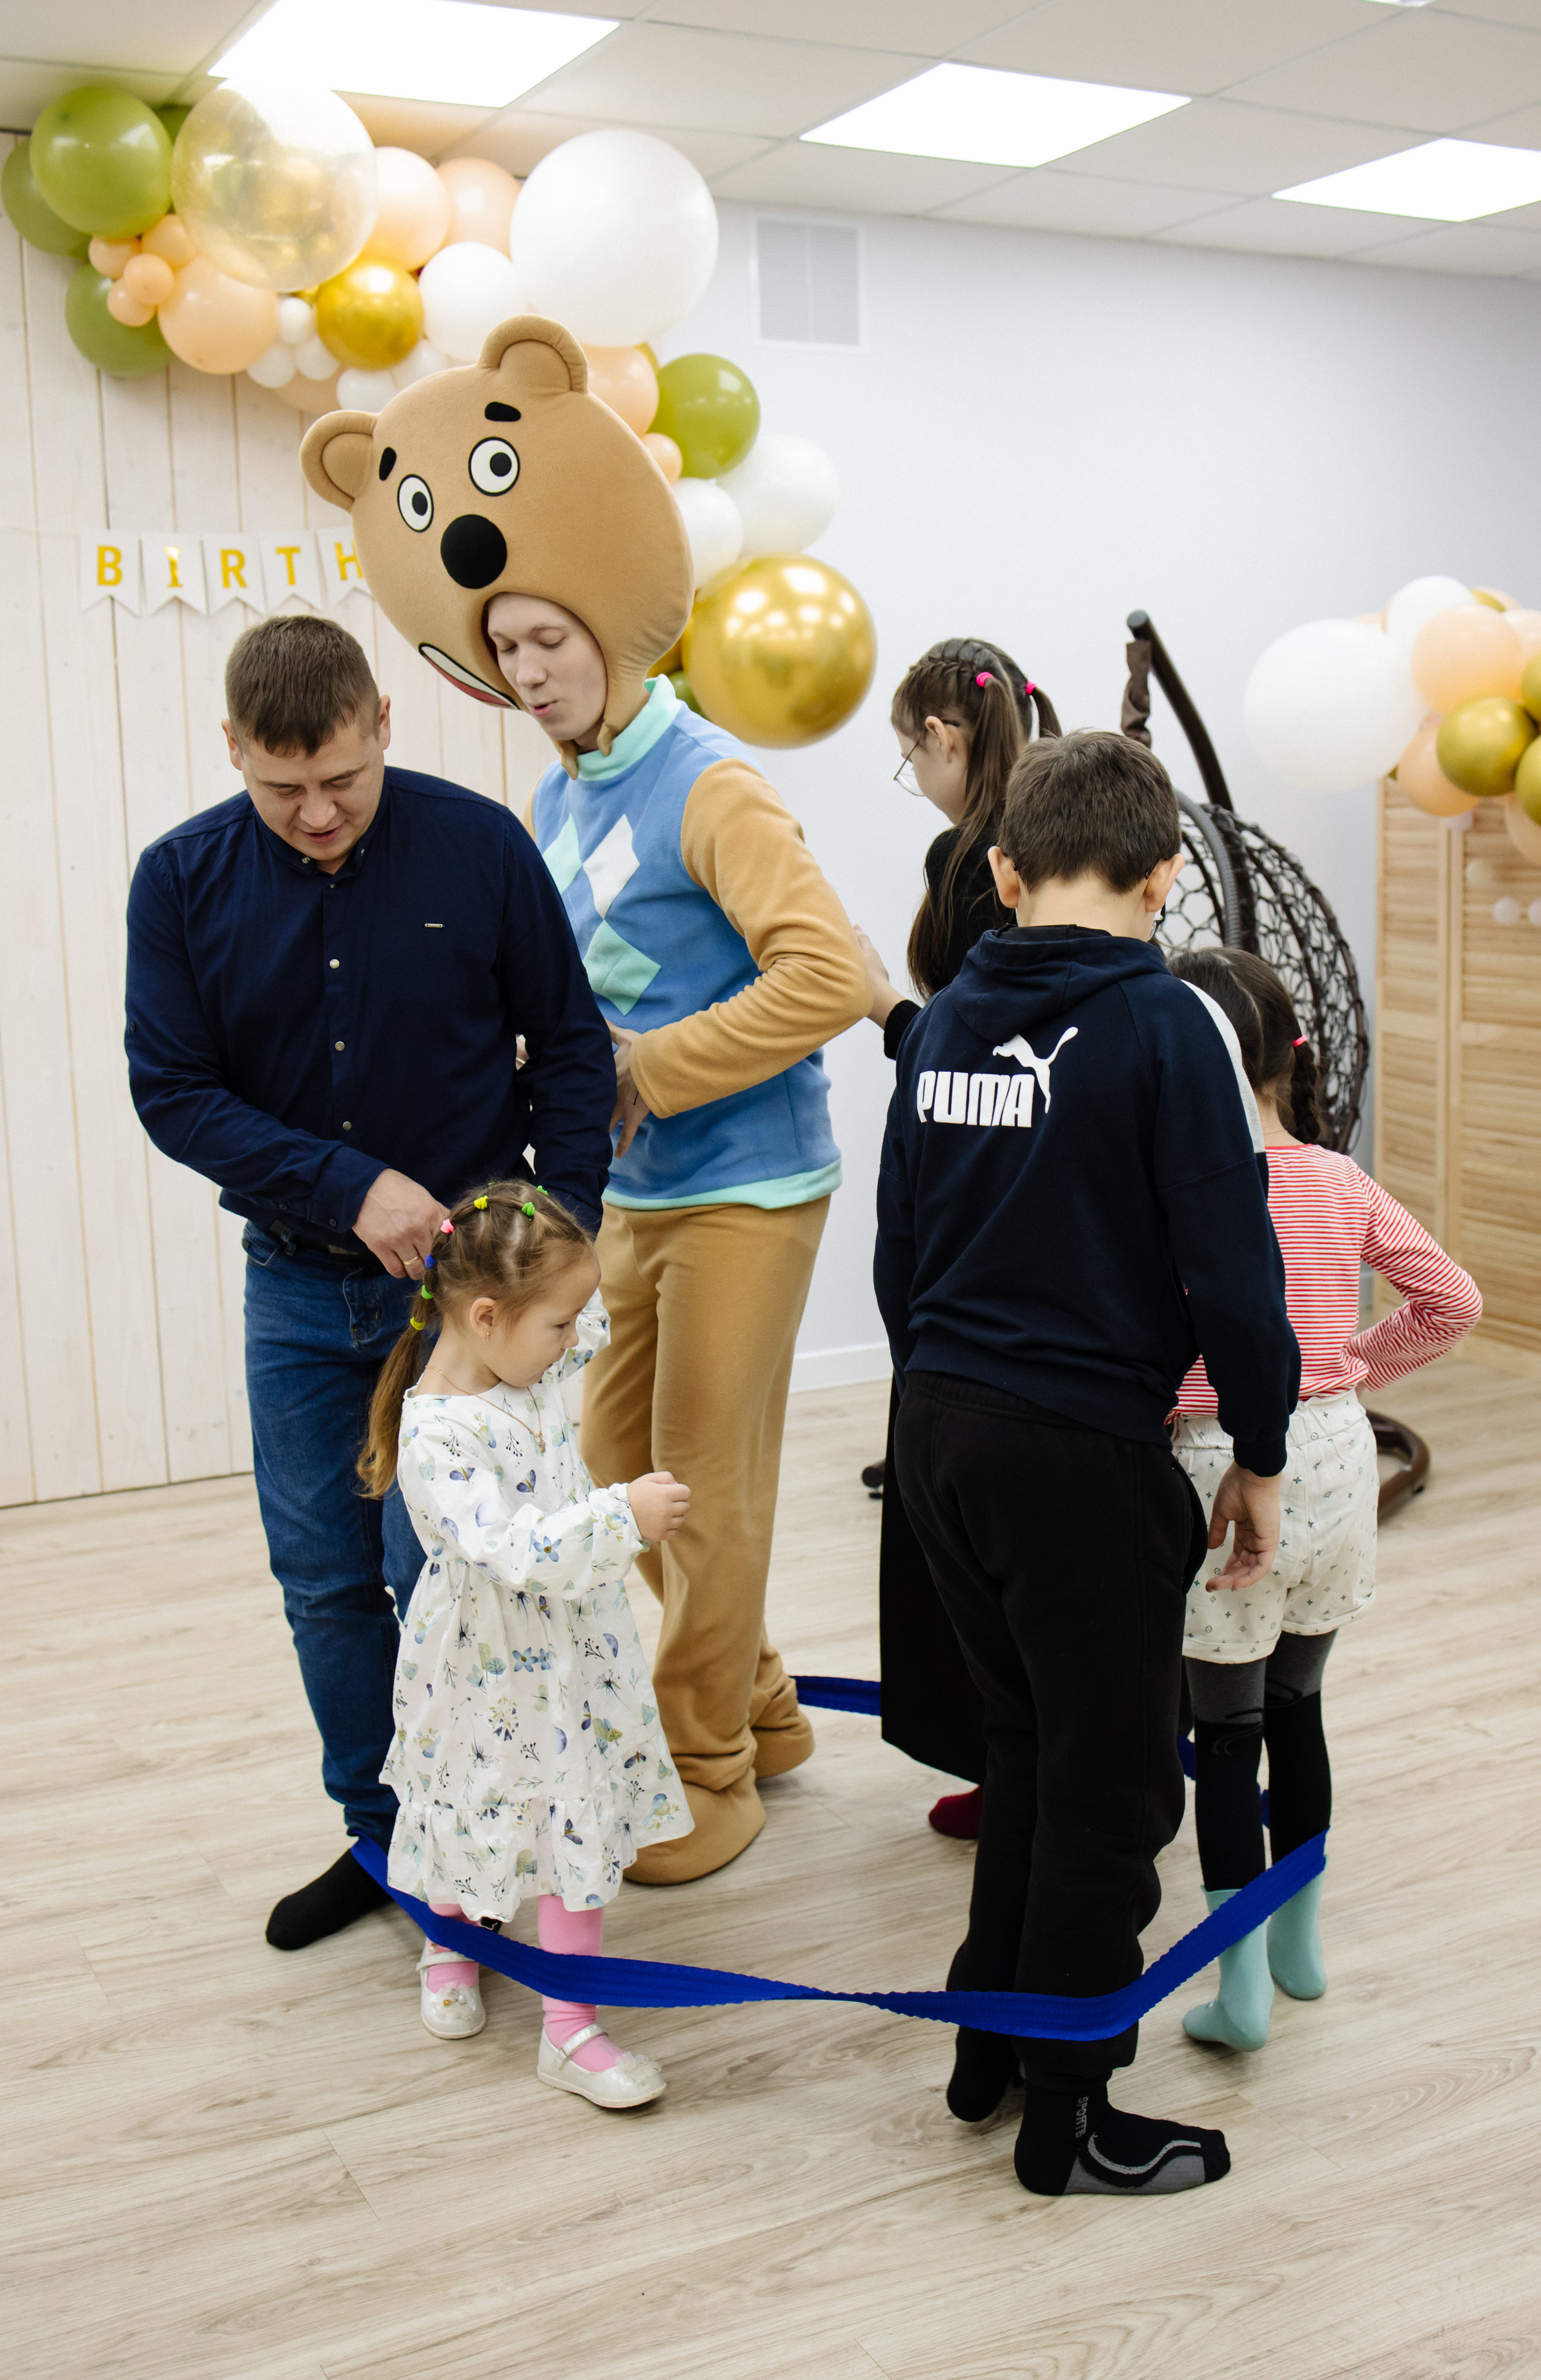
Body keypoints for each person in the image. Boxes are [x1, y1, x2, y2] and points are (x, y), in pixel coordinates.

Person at [302, 315, 870, 1885]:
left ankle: (705, 1772)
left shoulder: (708, 778)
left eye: (547, 638)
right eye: (504, 651)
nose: (526, 670)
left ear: (608, 622)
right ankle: (758, 1704)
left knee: (699, 1482)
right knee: (610, 1478)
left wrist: (640, 1072)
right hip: (626, 1204)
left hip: (752, 1181)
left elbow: (832, 974)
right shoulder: (557, 794)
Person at [125, 614, 615, 1953]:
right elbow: (172, 1093)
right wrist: (347, 1185)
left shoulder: (479, 847)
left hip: (463, 1307)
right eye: (280, 789)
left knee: (451, 1578)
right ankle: (382, 1835)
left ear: (382, 722)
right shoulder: (178, 884)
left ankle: (476, 1837)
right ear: (231, 751)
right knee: (324, 1582)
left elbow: (570, 1048)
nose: (318, 810)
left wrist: (544, 1239)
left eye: (340, 776)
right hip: (295, 1286)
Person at [875, 729, 1301, 2198]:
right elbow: (1230, 1268)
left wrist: (944, 1400)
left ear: (999, 868)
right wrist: (1257, 1443)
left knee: (1024, 1749)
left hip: (936, 1427)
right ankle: (1072, 2119)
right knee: (1114, 1794)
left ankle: (987, 2052)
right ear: (1166, 875)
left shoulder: (936, 1023)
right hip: (1075, 1452)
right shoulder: (1167, 1024)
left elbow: (899, 1253)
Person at [1168, 947, 1481, 2053]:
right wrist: (1346, 1364)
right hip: (1342, 1459)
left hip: (1220, 1467)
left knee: (1225, 1730)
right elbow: (1451, 1301)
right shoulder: (1339, 1180)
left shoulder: (1180, 1188)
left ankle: (1239, 1987)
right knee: (1298, 1711)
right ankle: (1301, 1948)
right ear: (1289, 1057)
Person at [358, 1178, 690, 2109]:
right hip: (486, 1663)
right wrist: (623, 1513)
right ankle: (451, 1943)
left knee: (571, 1812)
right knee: (471, 1800)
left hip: (571, 1654)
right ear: (485, 1315)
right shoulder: (437, 1433)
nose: (573, 1338)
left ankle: (570, 2028)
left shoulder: (527, 1361)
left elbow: (583, 1320)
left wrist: (571, 1254)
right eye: (556, 1323)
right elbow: (514, 1549)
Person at [854, 639, 1061, 1838]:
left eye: (908, 754)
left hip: (967, 1203)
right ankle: (1036, 1754)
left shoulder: (968, 863)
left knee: (959, 1506)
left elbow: (961, 1065)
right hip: (1034, 1203)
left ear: (945, 733)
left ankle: (1011, 1762)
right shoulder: (1041, 856)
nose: (914, 775)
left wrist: (883, 1001)